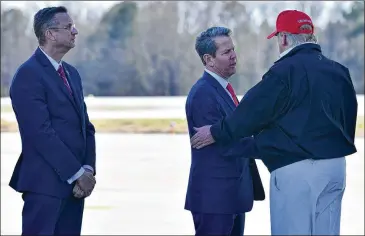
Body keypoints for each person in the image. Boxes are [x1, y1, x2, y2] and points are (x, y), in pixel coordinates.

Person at [190, 10, 358, 235]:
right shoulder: (340, 72)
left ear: (285, 38)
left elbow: (252, 112)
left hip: (297, 171)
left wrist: (217, 132)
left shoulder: (284, 72)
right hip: (336, 168)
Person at [8, 6, 97, 235]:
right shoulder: (28, 75)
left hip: (76, 189)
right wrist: (77, 174)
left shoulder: (72, 74)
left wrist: (87, 170)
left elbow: (85, 127)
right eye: (68, 27)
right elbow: (40, 133)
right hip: (44, 187)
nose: (75, 32)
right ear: (50, 33)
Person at [185, 26, 265, 236]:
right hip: (215, 199)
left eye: (233, 50)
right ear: (208, 59)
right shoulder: (203, 94)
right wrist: (267, 146)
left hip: (232, 196)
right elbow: (226, 145)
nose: (234, 56)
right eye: (226, 52)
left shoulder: (223, 90)